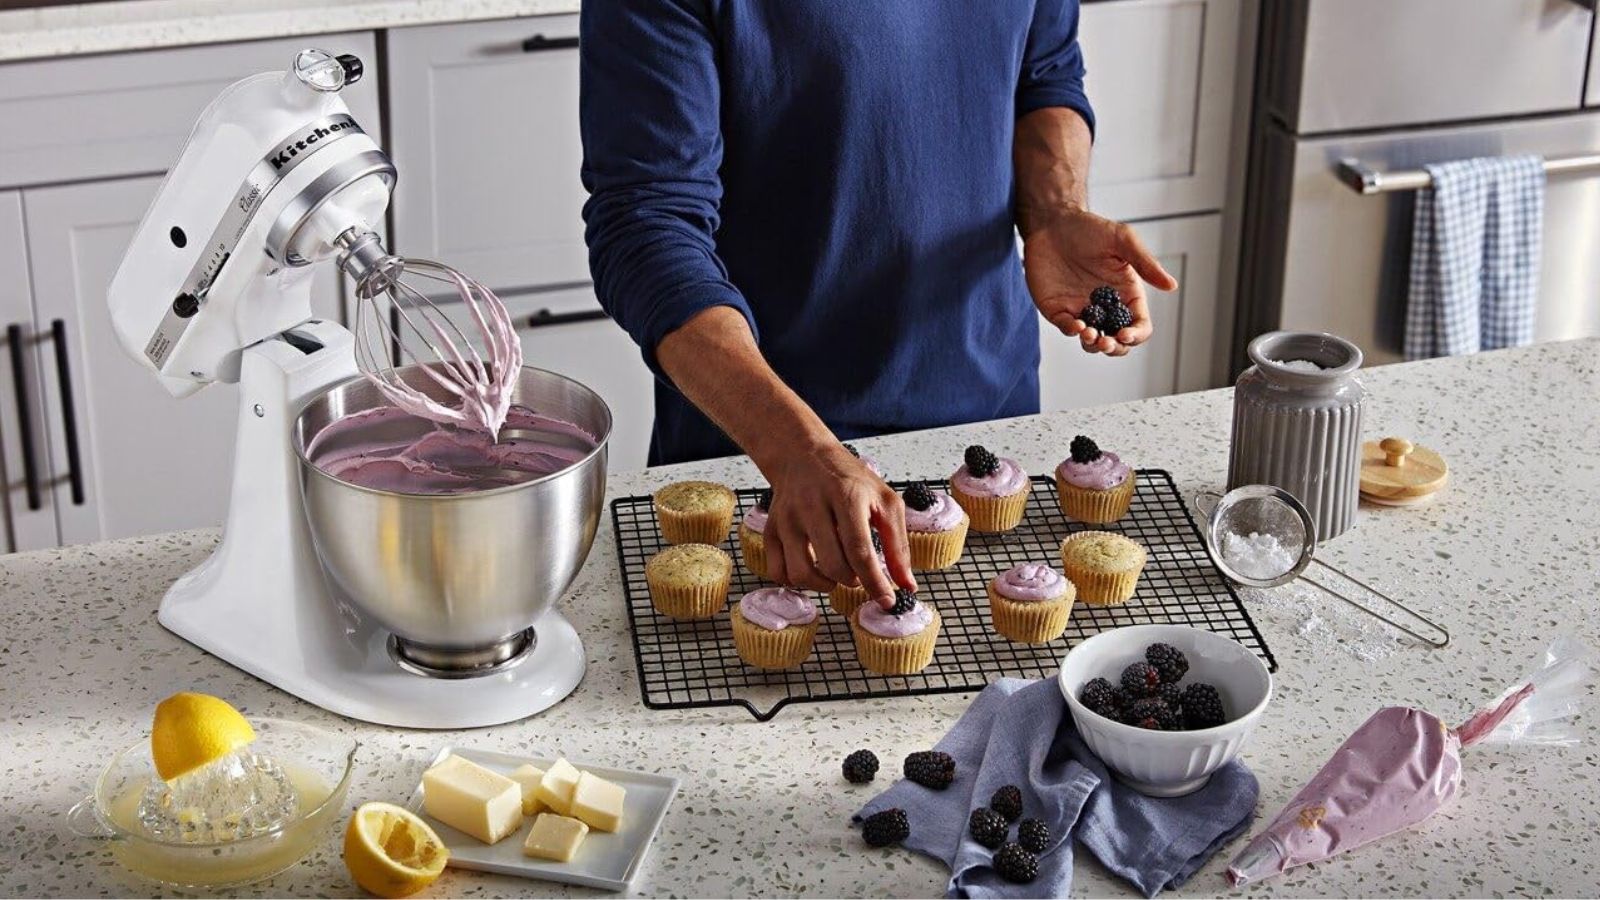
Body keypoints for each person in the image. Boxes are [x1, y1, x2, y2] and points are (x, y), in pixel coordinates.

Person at [579, 1, 1177, 611]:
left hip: (988, 423)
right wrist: (796, 449)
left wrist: (1055, 211)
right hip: (766, 459)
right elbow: (646, 225)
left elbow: (1043, 73)